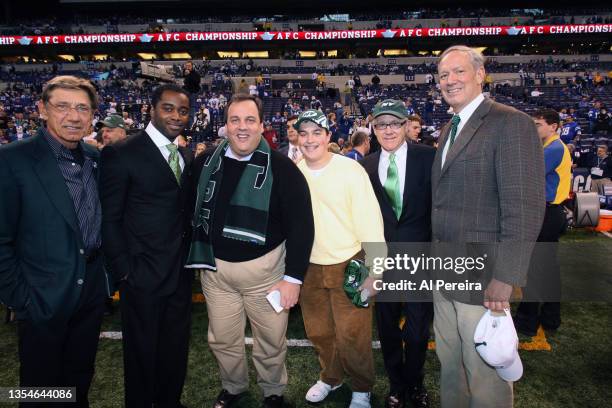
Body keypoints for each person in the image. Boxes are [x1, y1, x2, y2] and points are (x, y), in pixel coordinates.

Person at [432, 45, 545, 408]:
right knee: (451, 368)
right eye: (443, 75)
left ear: (480, 75)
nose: (450, 81)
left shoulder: (510, 122)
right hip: (445, 271)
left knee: (485, 377)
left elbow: (524, 206)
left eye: (458, 72)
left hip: (483, 279)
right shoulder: (450, 127)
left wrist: (507, 275)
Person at [186, 94, 314, 408]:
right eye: (235, 120)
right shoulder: (205, 163)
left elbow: (302, 226)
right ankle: (233, 387)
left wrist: (293, 278)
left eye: (249, 120)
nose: (242, 127)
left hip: (266, 274)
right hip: (215, 273)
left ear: (261, 126)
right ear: (225, 125)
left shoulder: (283, 168)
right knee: (222, 340)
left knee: (270, 342)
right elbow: (186, 210)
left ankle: (273, 392)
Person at [0, 75, 107, 406]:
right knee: (40, 390)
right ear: (42, 110)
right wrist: (22, 298)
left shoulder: (96, 159)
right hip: (41, 295)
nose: (73, 116)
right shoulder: (12, 160)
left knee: (79, 378)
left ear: (91, 116)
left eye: (82, 108)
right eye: (62, 106)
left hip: (89, 292)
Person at [100, 84, 194, 408]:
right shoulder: (121, 152)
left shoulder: (183, 153)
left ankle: (169, 402)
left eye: (182, 111)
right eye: (168, 108)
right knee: (141, 355)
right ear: (151, 109)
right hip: (141, 276)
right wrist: (124, 271)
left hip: (179, 274)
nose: (177, 116)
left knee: (175, 349)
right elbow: (109, 219)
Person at [295, 110, 386, 408]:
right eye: (304, 132)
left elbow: (371, 220)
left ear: (328, 136)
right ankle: (330, 377)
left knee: (354, 333)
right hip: (309, 267)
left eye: (316, 132)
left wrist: (377, 270)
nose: (310, 139)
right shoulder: (295, 171)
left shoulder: (351, 170)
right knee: (319, 331)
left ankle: (361, 387)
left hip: (351, 262)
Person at [360, 99, 435, 408]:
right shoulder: (365, 165)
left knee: (417, 332)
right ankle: (395, 384)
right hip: (382, 260)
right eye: (381, 124)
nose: (388, 130)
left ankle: (414, 383)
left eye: (394, 123)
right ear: (373, 129)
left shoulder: (431, 158)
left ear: (407, 126)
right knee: (388, 329)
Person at [515, 109, 571, 337]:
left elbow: (524, 174)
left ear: (553, 126)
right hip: (549, 213)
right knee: (547, 269)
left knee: (536, 269)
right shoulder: (551, 147)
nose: (534, 128)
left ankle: (527, 320)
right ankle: (550, 317)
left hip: (546, 214)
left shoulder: (554, 149)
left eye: (538, 124)